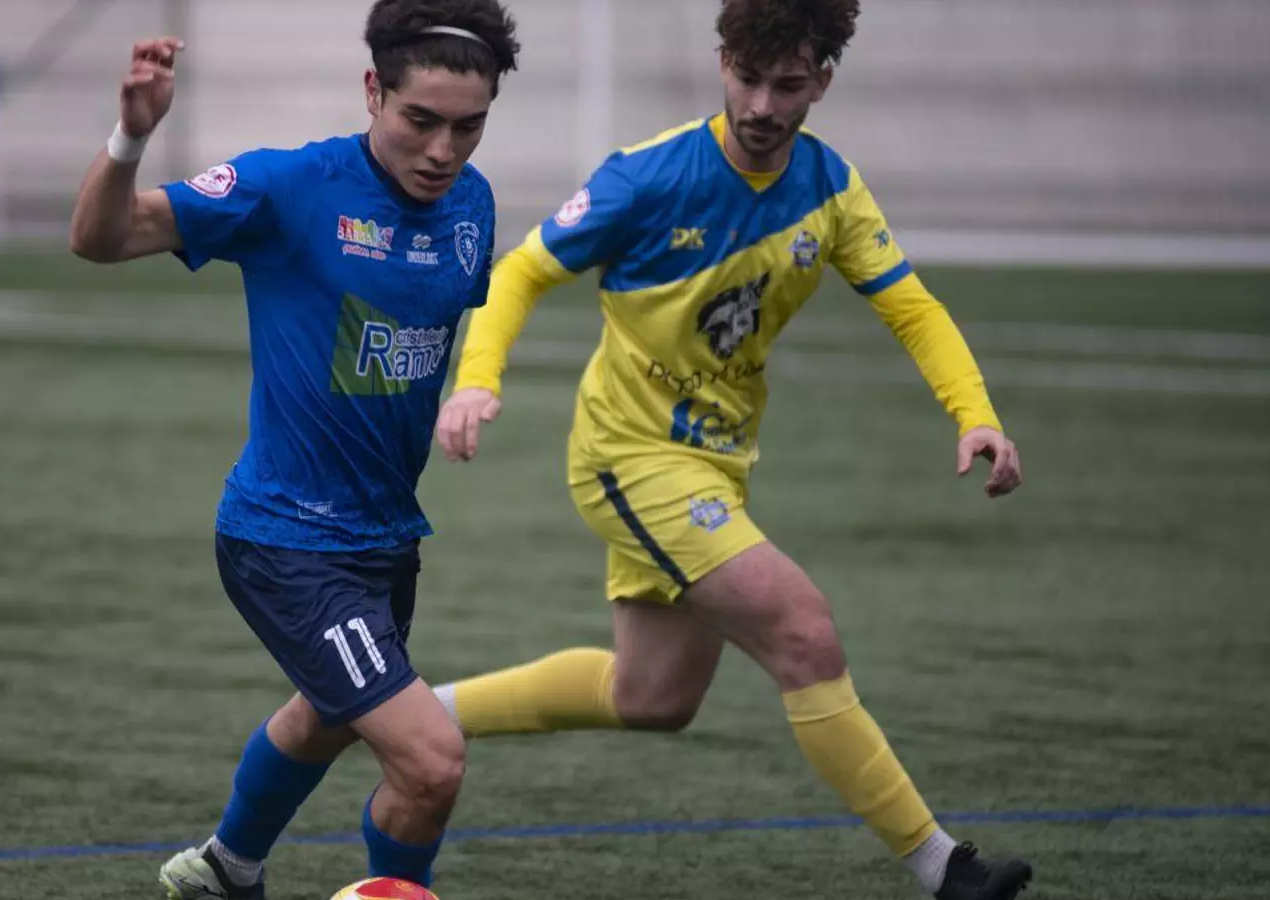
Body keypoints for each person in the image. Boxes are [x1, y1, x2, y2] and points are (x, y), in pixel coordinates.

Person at [429, 1, 1031, 897]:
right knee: (804, 631)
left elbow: (910, 306)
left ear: (822, 80)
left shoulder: (830, 189)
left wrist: (974, 413)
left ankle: (423, 712)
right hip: (630, 457)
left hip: (717, 463)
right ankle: (946, 868)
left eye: (786, 85)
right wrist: (478, 379)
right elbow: (519, 271)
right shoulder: (647, 178)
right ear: (722, 64)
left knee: (652, 697)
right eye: (746, 79)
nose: (760, 105)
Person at [68, 3, 518, 897]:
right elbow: (101, 238)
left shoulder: (471, 204)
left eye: (468, 127)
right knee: (431, 761)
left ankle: (226, 868)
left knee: (331, 714)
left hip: (386, 536)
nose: (443, 150)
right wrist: (131, 137)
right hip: (286, 539)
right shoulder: (290, 188)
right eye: (420, 120)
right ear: (373, 91)